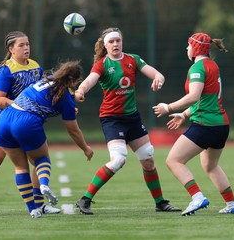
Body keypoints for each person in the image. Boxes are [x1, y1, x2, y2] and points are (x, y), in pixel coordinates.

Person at [74, 27, 181, 215]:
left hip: (132, 118)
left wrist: (158, 79)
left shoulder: (133, 59)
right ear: (105, 45)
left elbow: (157, 74)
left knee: (148, 159)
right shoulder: (102, 64)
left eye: (118, 41)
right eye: (111, 42)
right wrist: (81, 90)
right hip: (112, 119)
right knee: (118, 160)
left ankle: (160, 203)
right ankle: (85, 199)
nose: (115, 44)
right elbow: (89, 81)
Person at [0, 31, 61, 216]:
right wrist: (19, 106)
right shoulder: (6, 69)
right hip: (2, 119)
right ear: (11, 49)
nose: (26, 48)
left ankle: (39, 205)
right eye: (21, 45)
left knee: (37, 161)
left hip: (25, 121)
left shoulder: (35, 67)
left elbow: (41, 94)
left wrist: (61, 105)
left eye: (28, 44)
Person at [152, 32, 234, 216]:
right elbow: (206, 99)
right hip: (221, 125)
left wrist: (167, 107)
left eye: (188, 45)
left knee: (173, 161)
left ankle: (197, 197)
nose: (187, 48)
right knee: (210, 166)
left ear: (196, 48)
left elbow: (193, 96)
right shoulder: (212, 65)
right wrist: (184, 114)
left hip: (205, 125)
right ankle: (232, 204)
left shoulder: (197, 68)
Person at [0, 60, 94, 218]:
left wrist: (70, 102)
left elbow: (50, 96)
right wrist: (86, 148)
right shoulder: (66, 98)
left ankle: (34, 208)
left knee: (20, 168)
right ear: (75, 81)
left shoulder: (48, 79)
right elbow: (73, 130)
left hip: (4, 118)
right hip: (25, 122)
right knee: (42, 159)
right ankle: (44, 185)